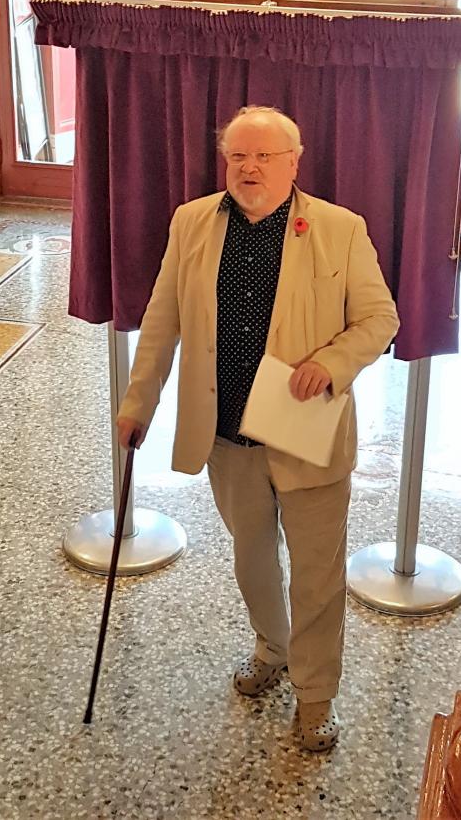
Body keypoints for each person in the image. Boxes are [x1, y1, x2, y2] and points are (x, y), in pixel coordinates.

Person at [117, 105, 399, 751]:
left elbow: (380, 319)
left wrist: (331, 364)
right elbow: (162, 320)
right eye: (238, 156)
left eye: (264, 156)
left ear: (294, 162)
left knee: (317, 576)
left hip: (306, 430)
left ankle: (315, 695)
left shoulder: (339, 228)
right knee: (252, 558)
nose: (249, 168)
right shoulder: (192, 222)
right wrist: (139, 404)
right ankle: (272, 648)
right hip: (227, 432)